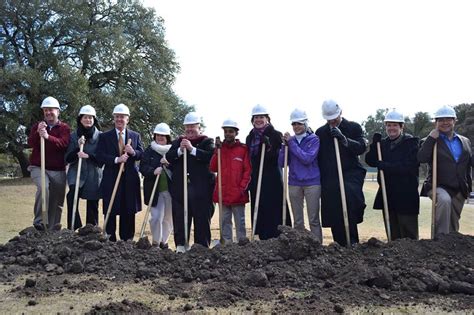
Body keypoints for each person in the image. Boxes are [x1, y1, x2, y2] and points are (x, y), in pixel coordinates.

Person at [315, 100, 366, 246]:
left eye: (334, 118)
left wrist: (344, 139)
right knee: (333, 208)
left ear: (340, 113)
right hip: (330, 175)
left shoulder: (353, 127)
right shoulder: (321, 132)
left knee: (349, 199)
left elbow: (361, 147)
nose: (332, 122)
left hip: (350, 174)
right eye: (329, 119)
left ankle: (352, 241)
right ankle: (338, 244)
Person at [418, 105, 473, 236]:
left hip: (459, 188)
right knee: (444, 200)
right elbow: (421, 158)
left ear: (455, 121)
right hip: (438, 185)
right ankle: (440, 240)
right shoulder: (429, 141)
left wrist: (467, 187)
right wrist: (431, 138)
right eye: (441, 120)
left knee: (453, 223)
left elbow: (470, 162)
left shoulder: (465, 141)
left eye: (448, 119)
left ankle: (450, 248)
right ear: (435, 122)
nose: (445, 123)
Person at [365, 109, 420, 240]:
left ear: (402, 126)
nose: (391, 128)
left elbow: (408, 167)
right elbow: (371, 161)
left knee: (408, 234)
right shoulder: (382, 144)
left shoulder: (411, 143)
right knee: (392, 234)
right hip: (388, 194)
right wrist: (374, 145)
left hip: (406, 195)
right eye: (388, 125)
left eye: (395, 125)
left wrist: (384, 165)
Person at [166, 112, 215, 252]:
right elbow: (169, 157)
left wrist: (192, 149)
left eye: (193, 126)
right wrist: (180, 150)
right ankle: (181, 246)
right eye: (187, 127)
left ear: (199, 127)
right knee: (180, 221)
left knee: (201, 221)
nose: (190, 129)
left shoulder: (207, 142)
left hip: (202, 192)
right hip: (181, 191)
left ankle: (201, 248)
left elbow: (210, 157)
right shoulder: (177, 143)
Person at [96, 104, 143, 241]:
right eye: (117, 117)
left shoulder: (135, 136)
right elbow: (100, 156)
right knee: (110, 209)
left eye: (122, 117)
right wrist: (117, 159)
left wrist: (133, 152)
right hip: (111, 179)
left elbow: (141, 154)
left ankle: (127, 240)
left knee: (128, 210)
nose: (119, 119)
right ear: (114, 118)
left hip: (130, 180)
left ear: (127, 119)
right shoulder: (105, 136)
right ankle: (110, 239)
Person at [246, 104, 291, 240]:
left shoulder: (275, 134)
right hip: (256, 177)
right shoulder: (250, 137)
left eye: (261, 117)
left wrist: (269, 147)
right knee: (260, 207)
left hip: (272, 177)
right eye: (256, 117)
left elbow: (278, 156)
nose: (258, 120)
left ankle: (278, 235)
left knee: (274, 206)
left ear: (267, 119)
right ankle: (263, 236)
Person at [278, 109, 322, 242]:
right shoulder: (289, 141)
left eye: (299, 124)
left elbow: (307, 159)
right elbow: (281, 163)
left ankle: (317, 246)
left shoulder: (314, 139)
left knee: (313, 219)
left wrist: (291, 143)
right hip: (294, 183)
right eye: (294, 124)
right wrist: (283, 147)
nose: (296, 127)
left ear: (305, 124)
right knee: (297, 221)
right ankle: (300, 247)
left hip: (312, 183)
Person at [27, 96, 71, 229]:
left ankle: (52, 227)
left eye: (51, 110)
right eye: (45, 110)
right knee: (43, 188)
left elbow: (64, 144)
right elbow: (31, 143)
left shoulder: (64, 128)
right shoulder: (37, 126)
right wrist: (38, 133)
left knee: (57, 200)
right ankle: (39, 222)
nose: (48, 113)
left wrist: (47, 137)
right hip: (38, 166)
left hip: (58, 169)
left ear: (58, 111)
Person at [209, 119, 251, 244]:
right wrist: (217, 151)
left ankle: (242, 245)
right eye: (226, 131)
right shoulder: (220, 149)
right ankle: (227, 245)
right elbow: (213, 167)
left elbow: (248, 171)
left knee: (240, 222)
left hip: (238, 193)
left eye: (231, 131)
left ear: (236, 133)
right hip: (223, 193)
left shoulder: (243, 149)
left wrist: (242, 188)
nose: (228, 134)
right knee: (224, 221)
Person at [64, 105, 102, 230]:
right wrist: (77, 149)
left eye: (91, 118)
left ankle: (91, 230)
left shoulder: (100, 136)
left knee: (92, 202)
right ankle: (75, 226)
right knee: (71, 196)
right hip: (77, 174)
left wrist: (88, 155)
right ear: (80, 119)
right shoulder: (73, 136)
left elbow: (102, 158)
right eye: (85, 117)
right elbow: (67, 158)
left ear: (94, 120)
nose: (88, 120)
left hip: (93, 175)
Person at [139, 123, 173, 249]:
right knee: (156, 217)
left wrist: (169, 164)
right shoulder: (149, 150)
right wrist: (153, 171)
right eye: (158, 135)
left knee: (168, 218)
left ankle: (164, 241)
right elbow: (143, 167)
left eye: (163, 135)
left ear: (167, 137)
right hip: (155, 190)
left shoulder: (172, 151)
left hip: (170, 191)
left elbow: (178, 168)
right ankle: (155, 242)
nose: (160, 137)